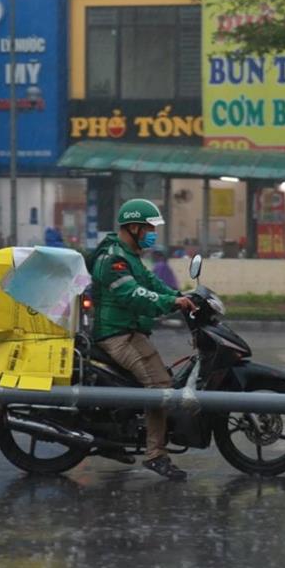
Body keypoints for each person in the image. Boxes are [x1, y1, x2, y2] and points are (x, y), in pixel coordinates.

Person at [89, 198, 196, 481]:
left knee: (158, 381)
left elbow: (151, 284)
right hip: (115, 336)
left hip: (130, 331)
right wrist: (171, 303)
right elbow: (134, 295)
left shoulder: (130, 255)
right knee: (160, 387)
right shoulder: (113, 259)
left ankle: (119, 441)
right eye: (149, 227)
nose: (152, 233)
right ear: (134, 226)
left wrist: (181, 295)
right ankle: (155, 455)